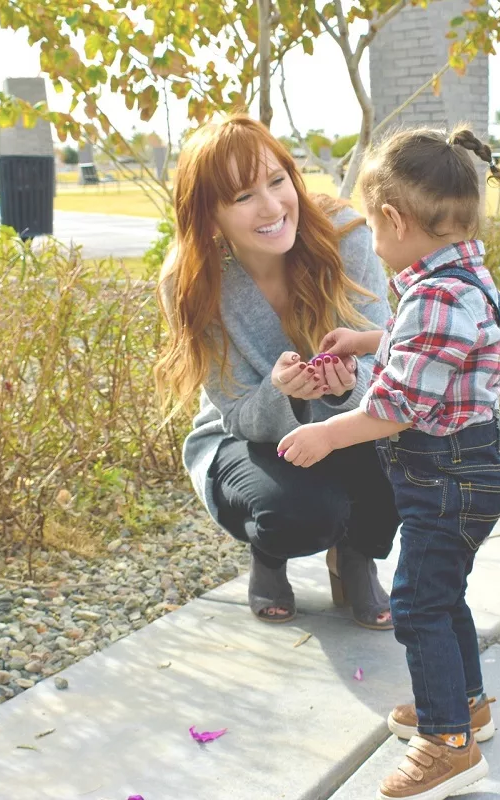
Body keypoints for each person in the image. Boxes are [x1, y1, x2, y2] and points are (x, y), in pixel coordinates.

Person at [278, 126, 500, 800]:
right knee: (444, 593)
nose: (371, 244)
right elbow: (429, 337)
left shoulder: (437, 296)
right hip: (463, 474)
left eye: (372, 226)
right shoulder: (456, 275)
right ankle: (465, 705)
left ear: (392, 219)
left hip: (447, 476)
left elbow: (398, 407)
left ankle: (447, 744)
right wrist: (368, 337)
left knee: (416, 603)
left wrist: (328, 435)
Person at [154, 114, 399, 629]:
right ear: (208, 215)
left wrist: (345, 391)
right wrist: (282, 392)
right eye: (242, 197)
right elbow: (237, 411)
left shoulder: (345, 237)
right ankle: (270, 555)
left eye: (276, 181)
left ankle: (356, 557)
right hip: (244, 439)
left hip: (352, 429)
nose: (271, 207)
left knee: (416, 447)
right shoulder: (192, 281)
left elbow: (388, 367)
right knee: (303, 513)